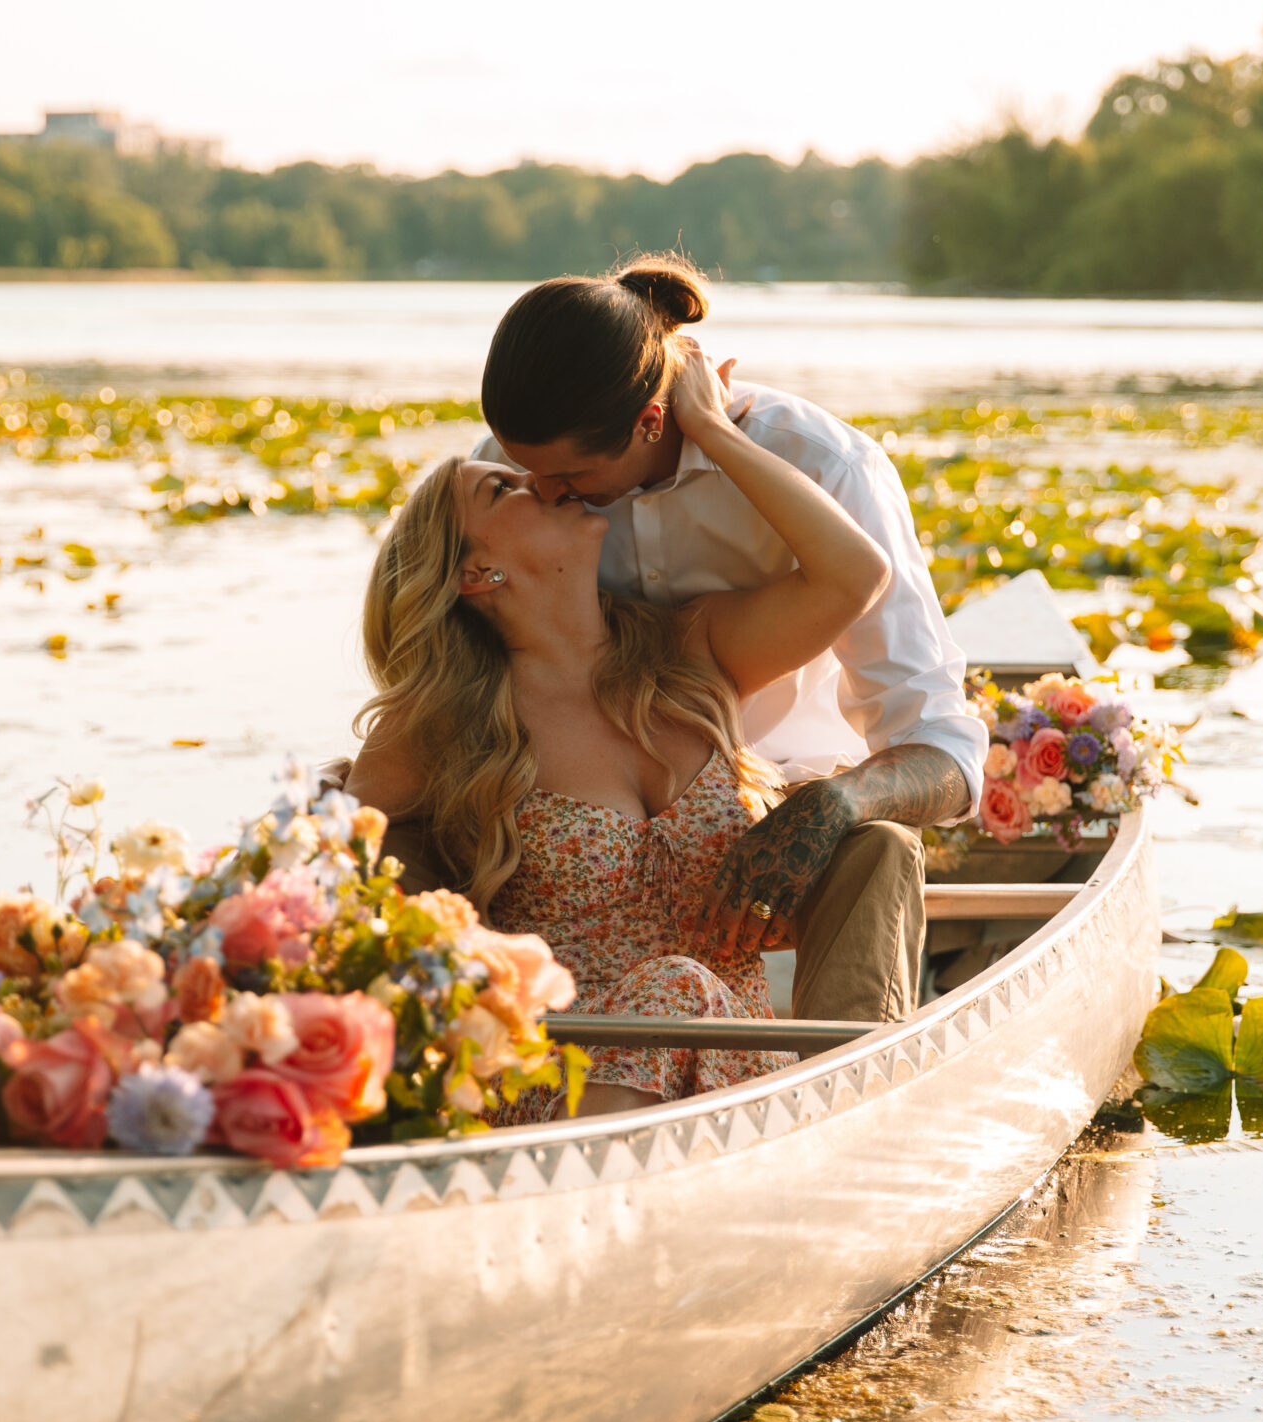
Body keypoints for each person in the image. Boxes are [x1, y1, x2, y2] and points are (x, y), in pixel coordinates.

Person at [346, 348, 889, 1119]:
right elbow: (327, 856)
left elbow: (854, 574)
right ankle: (577, 1201)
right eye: (505, 488)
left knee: (685, 985)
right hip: (560, 1082)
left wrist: (709, 430)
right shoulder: (449, 717)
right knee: (673, 983)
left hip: (737, 1073)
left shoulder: (690, 653)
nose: (544, 484)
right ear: (477, 574)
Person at [474, 254, 984, 1026]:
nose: (541, 496)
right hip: (582, 804)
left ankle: (839, 1083)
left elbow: (943, 745)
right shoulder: (522, 480)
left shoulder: (828, 465)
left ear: (651, 420)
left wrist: (835, 802)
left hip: (779, 801)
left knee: (880, 846)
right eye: (520, 471)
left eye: (572, 479)